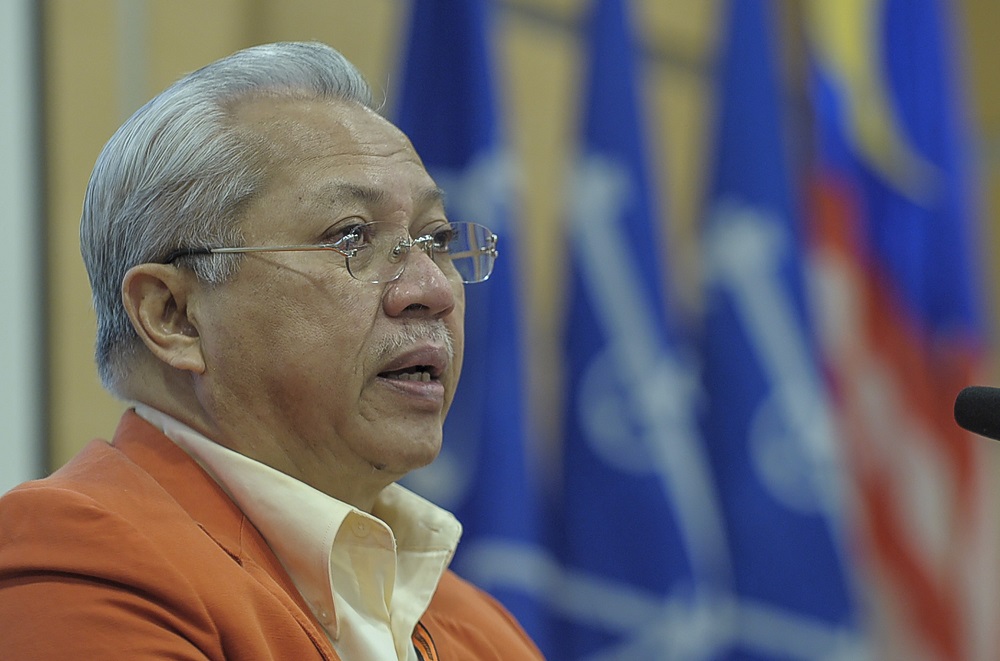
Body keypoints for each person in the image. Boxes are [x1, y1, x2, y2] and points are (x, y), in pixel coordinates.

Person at [0, 41, 544, 660]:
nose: (431, 289)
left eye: (438, 238)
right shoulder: (77, 564)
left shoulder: (483, 631)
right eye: (351, 237)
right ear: (174, 316)